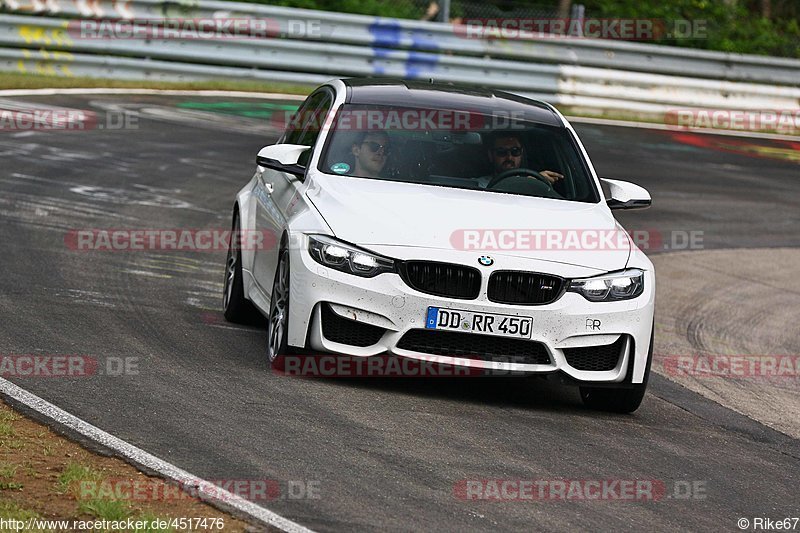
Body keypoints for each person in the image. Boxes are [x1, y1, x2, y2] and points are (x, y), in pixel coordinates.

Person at [478, 133, 564, 188]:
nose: (509, 157)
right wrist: (529, 183)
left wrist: (538, 183)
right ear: (491, 155)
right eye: (502, 152)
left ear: (521, 153)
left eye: (515, 151)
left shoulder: (538, 184)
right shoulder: (477, 186)